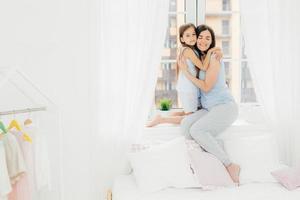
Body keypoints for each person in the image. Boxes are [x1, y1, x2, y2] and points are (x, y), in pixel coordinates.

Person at [178, 24, 240, 183]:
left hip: (225, 106)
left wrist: (185, 71)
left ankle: (229, 165)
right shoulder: (201, 58)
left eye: (208, 38)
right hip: (209, 108)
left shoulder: (214, 57)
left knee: (198, 130)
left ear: (212, 41)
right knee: (186, 126)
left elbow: (206, 86)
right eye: (200, 37)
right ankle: (209, 159)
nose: (203, 41)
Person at [147, 23, 221, 127]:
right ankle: (162, 120)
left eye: (193, 34)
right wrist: (210, 52)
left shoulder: (189, 49)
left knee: (188, 111)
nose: (192, 38)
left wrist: (217, 51)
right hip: (189, 87)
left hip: (187, 86)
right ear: (182, 39)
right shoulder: (188, 51)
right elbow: (203, 67)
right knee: (190, 117)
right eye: (187, 35)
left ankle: (163, 117)